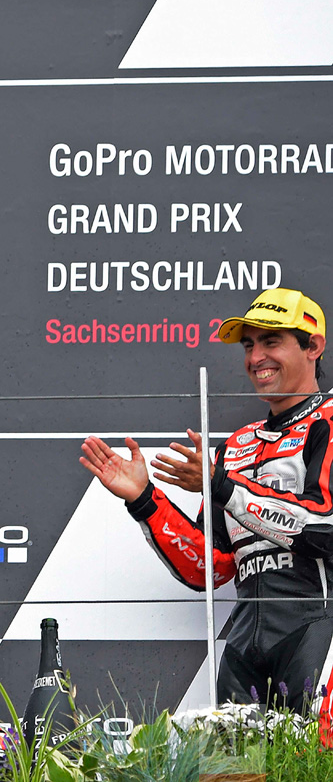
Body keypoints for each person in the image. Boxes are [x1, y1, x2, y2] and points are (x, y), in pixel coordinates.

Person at [80, 287, 333, 740]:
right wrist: (144, 500)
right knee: (234, 769)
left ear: (313, 346)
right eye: (249, 345)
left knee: (313, 764)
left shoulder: (329, 421)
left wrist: (222, 486)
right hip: (243, 645)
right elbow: (209, 569)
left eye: (271, 342)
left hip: (317, 630)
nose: (257, 357)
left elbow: (323, 527)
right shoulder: (234, 447)